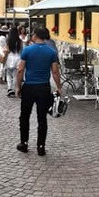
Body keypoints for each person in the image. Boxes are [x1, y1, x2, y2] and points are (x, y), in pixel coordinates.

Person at [16, 26, 62, 156]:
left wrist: (18, 87)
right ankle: (41, 146)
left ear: (35, 35)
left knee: (24, 116)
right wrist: (59, 87)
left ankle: (24, 143)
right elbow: (55, 72)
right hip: (44, 88)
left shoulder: (27, 50)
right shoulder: (51, 52)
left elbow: (20, 70)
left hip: (29, 87)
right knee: (42, 118)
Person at [4, 26, 23, 97]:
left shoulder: (8, 40)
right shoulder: (19, 40)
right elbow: (21, 50)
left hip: (10, 57)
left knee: (8, 74)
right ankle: (15, 89)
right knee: (15, 75)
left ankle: (10, 88)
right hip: (18, 58)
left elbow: (7, 50)